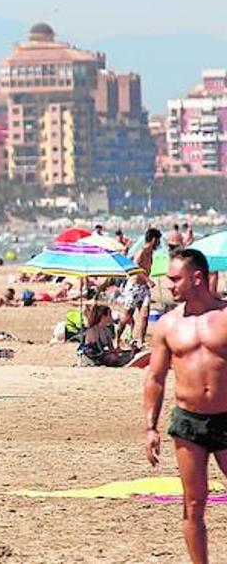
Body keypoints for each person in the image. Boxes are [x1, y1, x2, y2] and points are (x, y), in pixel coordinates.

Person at [143, 249, 227, 564]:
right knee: (193, 503)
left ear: (197, 278)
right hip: (188, 422)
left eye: (176, 279)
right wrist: (149, 427)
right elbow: (155, 377)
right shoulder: (167, 325)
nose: (170, 285)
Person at [119, 228, 160, 344]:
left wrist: (147, 282)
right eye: (158, 241)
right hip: (134, 287)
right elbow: (135, 268)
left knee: (145, 315)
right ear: (153, 240)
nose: (159, 244)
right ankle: (117, 339)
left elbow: (147, 269)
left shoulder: (151, 253)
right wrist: (147, 280)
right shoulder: (141, 252)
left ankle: (141, 341)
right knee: (127, 316)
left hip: (144, 288)